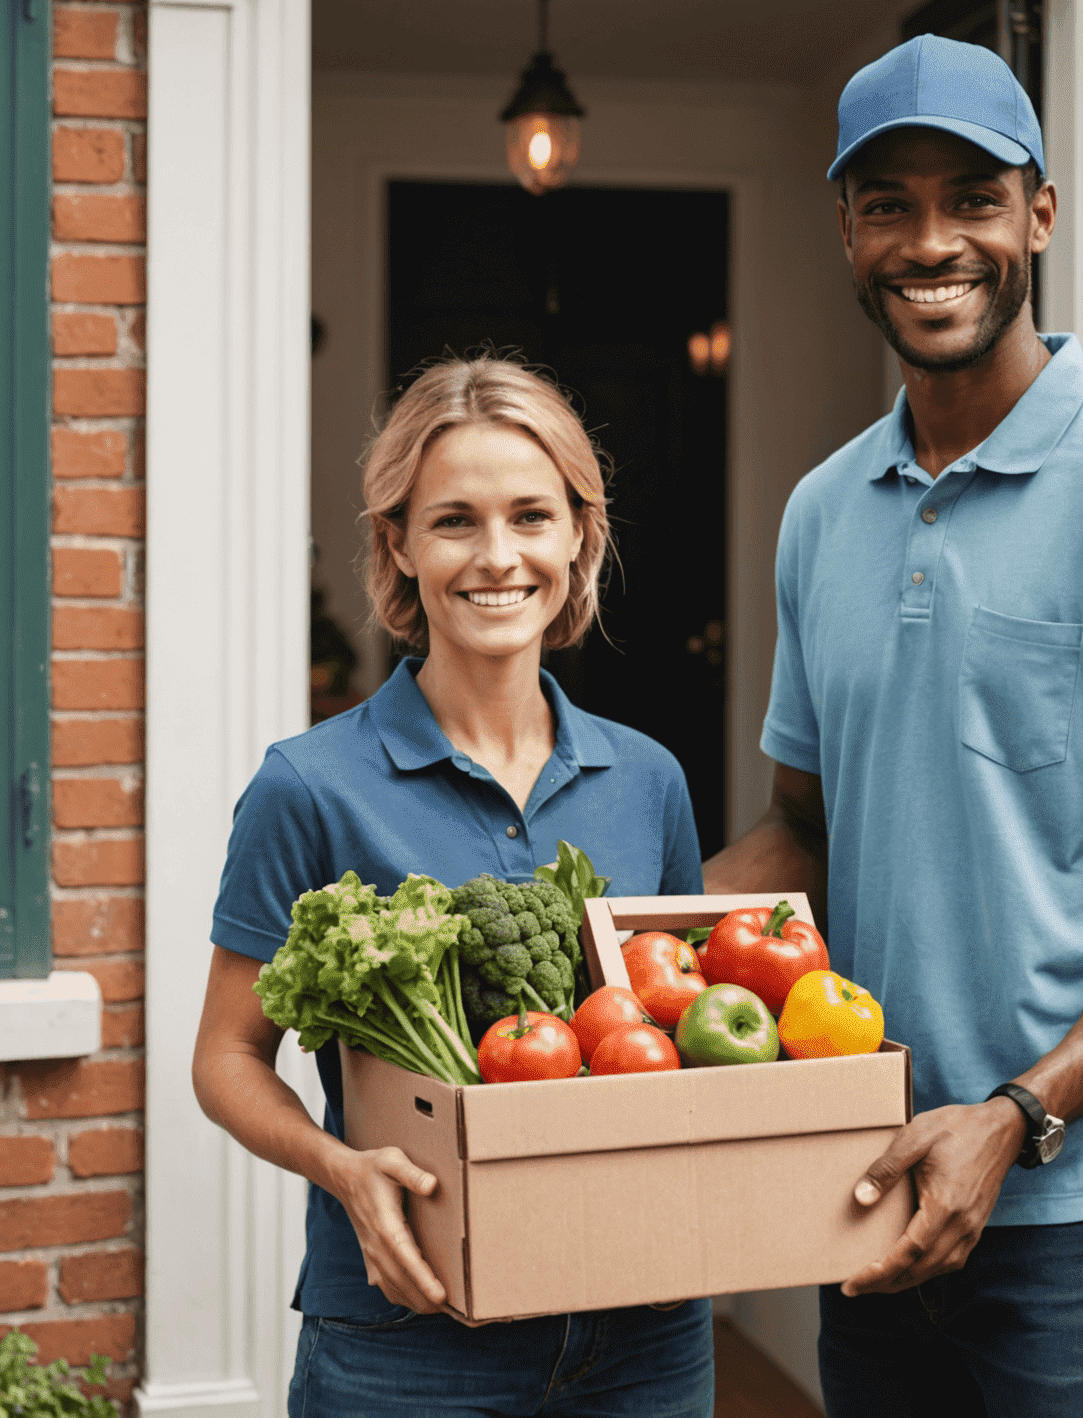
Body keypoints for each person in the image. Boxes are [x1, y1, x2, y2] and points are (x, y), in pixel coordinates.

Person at [703, 35, 1083, 1416]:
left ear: (1038, 212)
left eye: (971, 195)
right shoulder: (822, 513)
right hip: (880, 1187)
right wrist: (605, 944)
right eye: (889, 203)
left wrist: (1020, 1115)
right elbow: (805, 830)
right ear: (846, 231)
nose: (931, 239)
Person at [192, 356, 713, 1418]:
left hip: (642, 1328)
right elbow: (226, 1059)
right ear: (399, 544)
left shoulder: (648, 778)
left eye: (531, 516)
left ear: (579, 535)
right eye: (454, 522)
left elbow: (676, 1039)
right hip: (406, 1335)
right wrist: (342, 1170)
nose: (497, 557)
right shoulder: (309, 787)